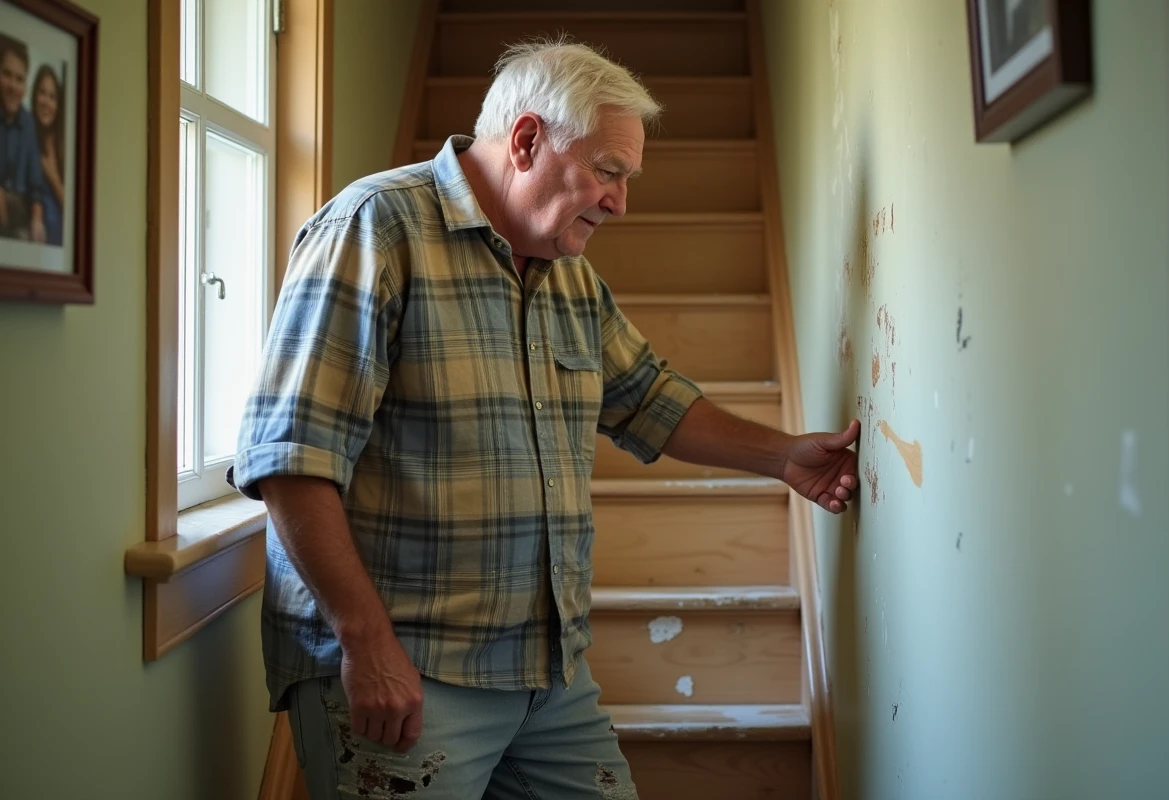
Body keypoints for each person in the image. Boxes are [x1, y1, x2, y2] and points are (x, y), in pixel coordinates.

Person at [229, 40, 860, 799]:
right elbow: (290, 459)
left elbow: (648, 397)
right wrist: (366, 643)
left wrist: (786, 456)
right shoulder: (375, 228)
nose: (621, 202)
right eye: (608, 171)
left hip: (547, 676)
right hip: (406, 672)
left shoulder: (567, 274)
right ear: (527, 140)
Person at [0, 35, 46, 243]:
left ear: (26, 85)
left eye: (19, 79)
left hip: (19, 212)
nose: (13, 86)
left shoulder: (29, 124)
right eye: (6, 75)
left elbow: (36, 188)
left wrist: (37, 220)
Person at [32, 64, 64, 246]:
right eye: (42, 93)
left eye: (52, 97)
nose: (46, 102)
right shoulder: (27, 136)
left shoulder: (63, 143)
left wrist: (52, 175)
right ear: (35, 95)